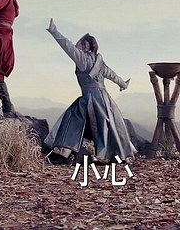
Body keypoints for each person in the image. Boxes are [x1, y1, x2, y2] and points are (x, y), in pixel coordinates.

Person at [44, 18, 137, 164]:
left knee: (73, 118)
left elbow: (67, 46)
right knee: (107, 125)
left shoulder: (83, 58)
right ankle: (110, 154)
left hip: (90, 97)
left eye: (82, 43)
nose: (79, 45)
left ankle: (66, 151)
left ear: (86, 46)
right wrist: (123, 84)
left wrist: (54, 32)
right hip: (104, 98)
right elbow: (111, 74)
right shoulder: (99, 61)